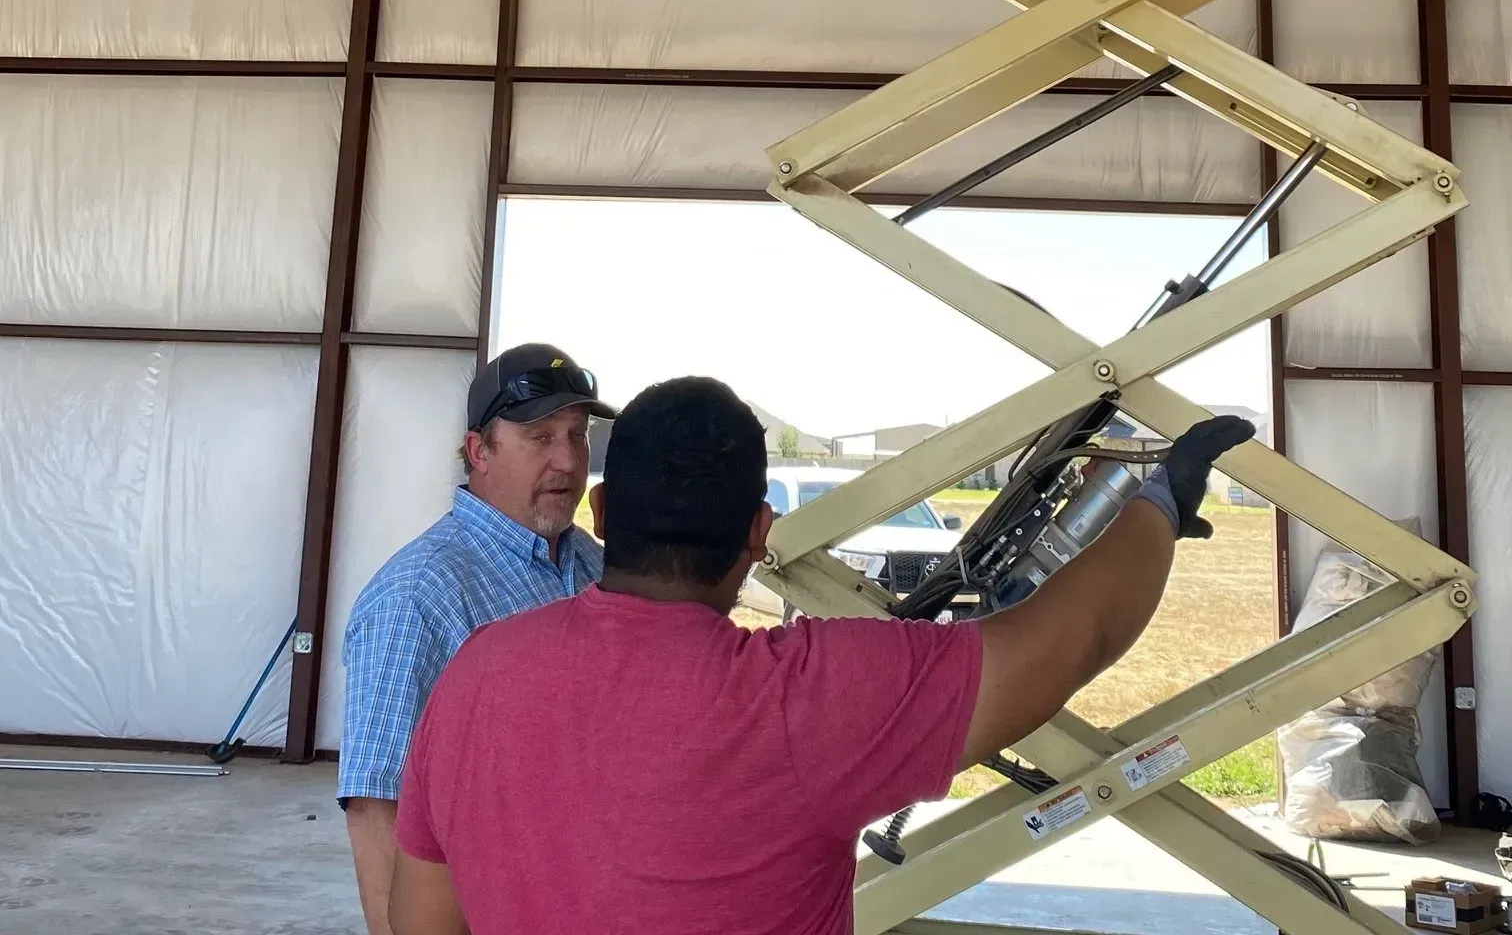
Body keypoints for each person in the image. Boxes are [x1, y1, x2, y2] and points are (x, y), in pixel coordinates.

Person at [387, 375, 1253, 935]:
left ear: (603, 516)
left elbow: (421, 918)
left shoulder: (477, 678)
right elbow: (1076, 637)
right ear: (759, 533)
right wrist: (1160, 503)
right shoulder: (807, 698)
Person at [338, 343, 615, 935]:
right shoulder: (419, 596)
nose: (568, 461)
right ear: (478, 451)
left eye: (578, 435)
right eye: (540, 438)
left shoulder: (595, 568)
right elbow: (376, 806)